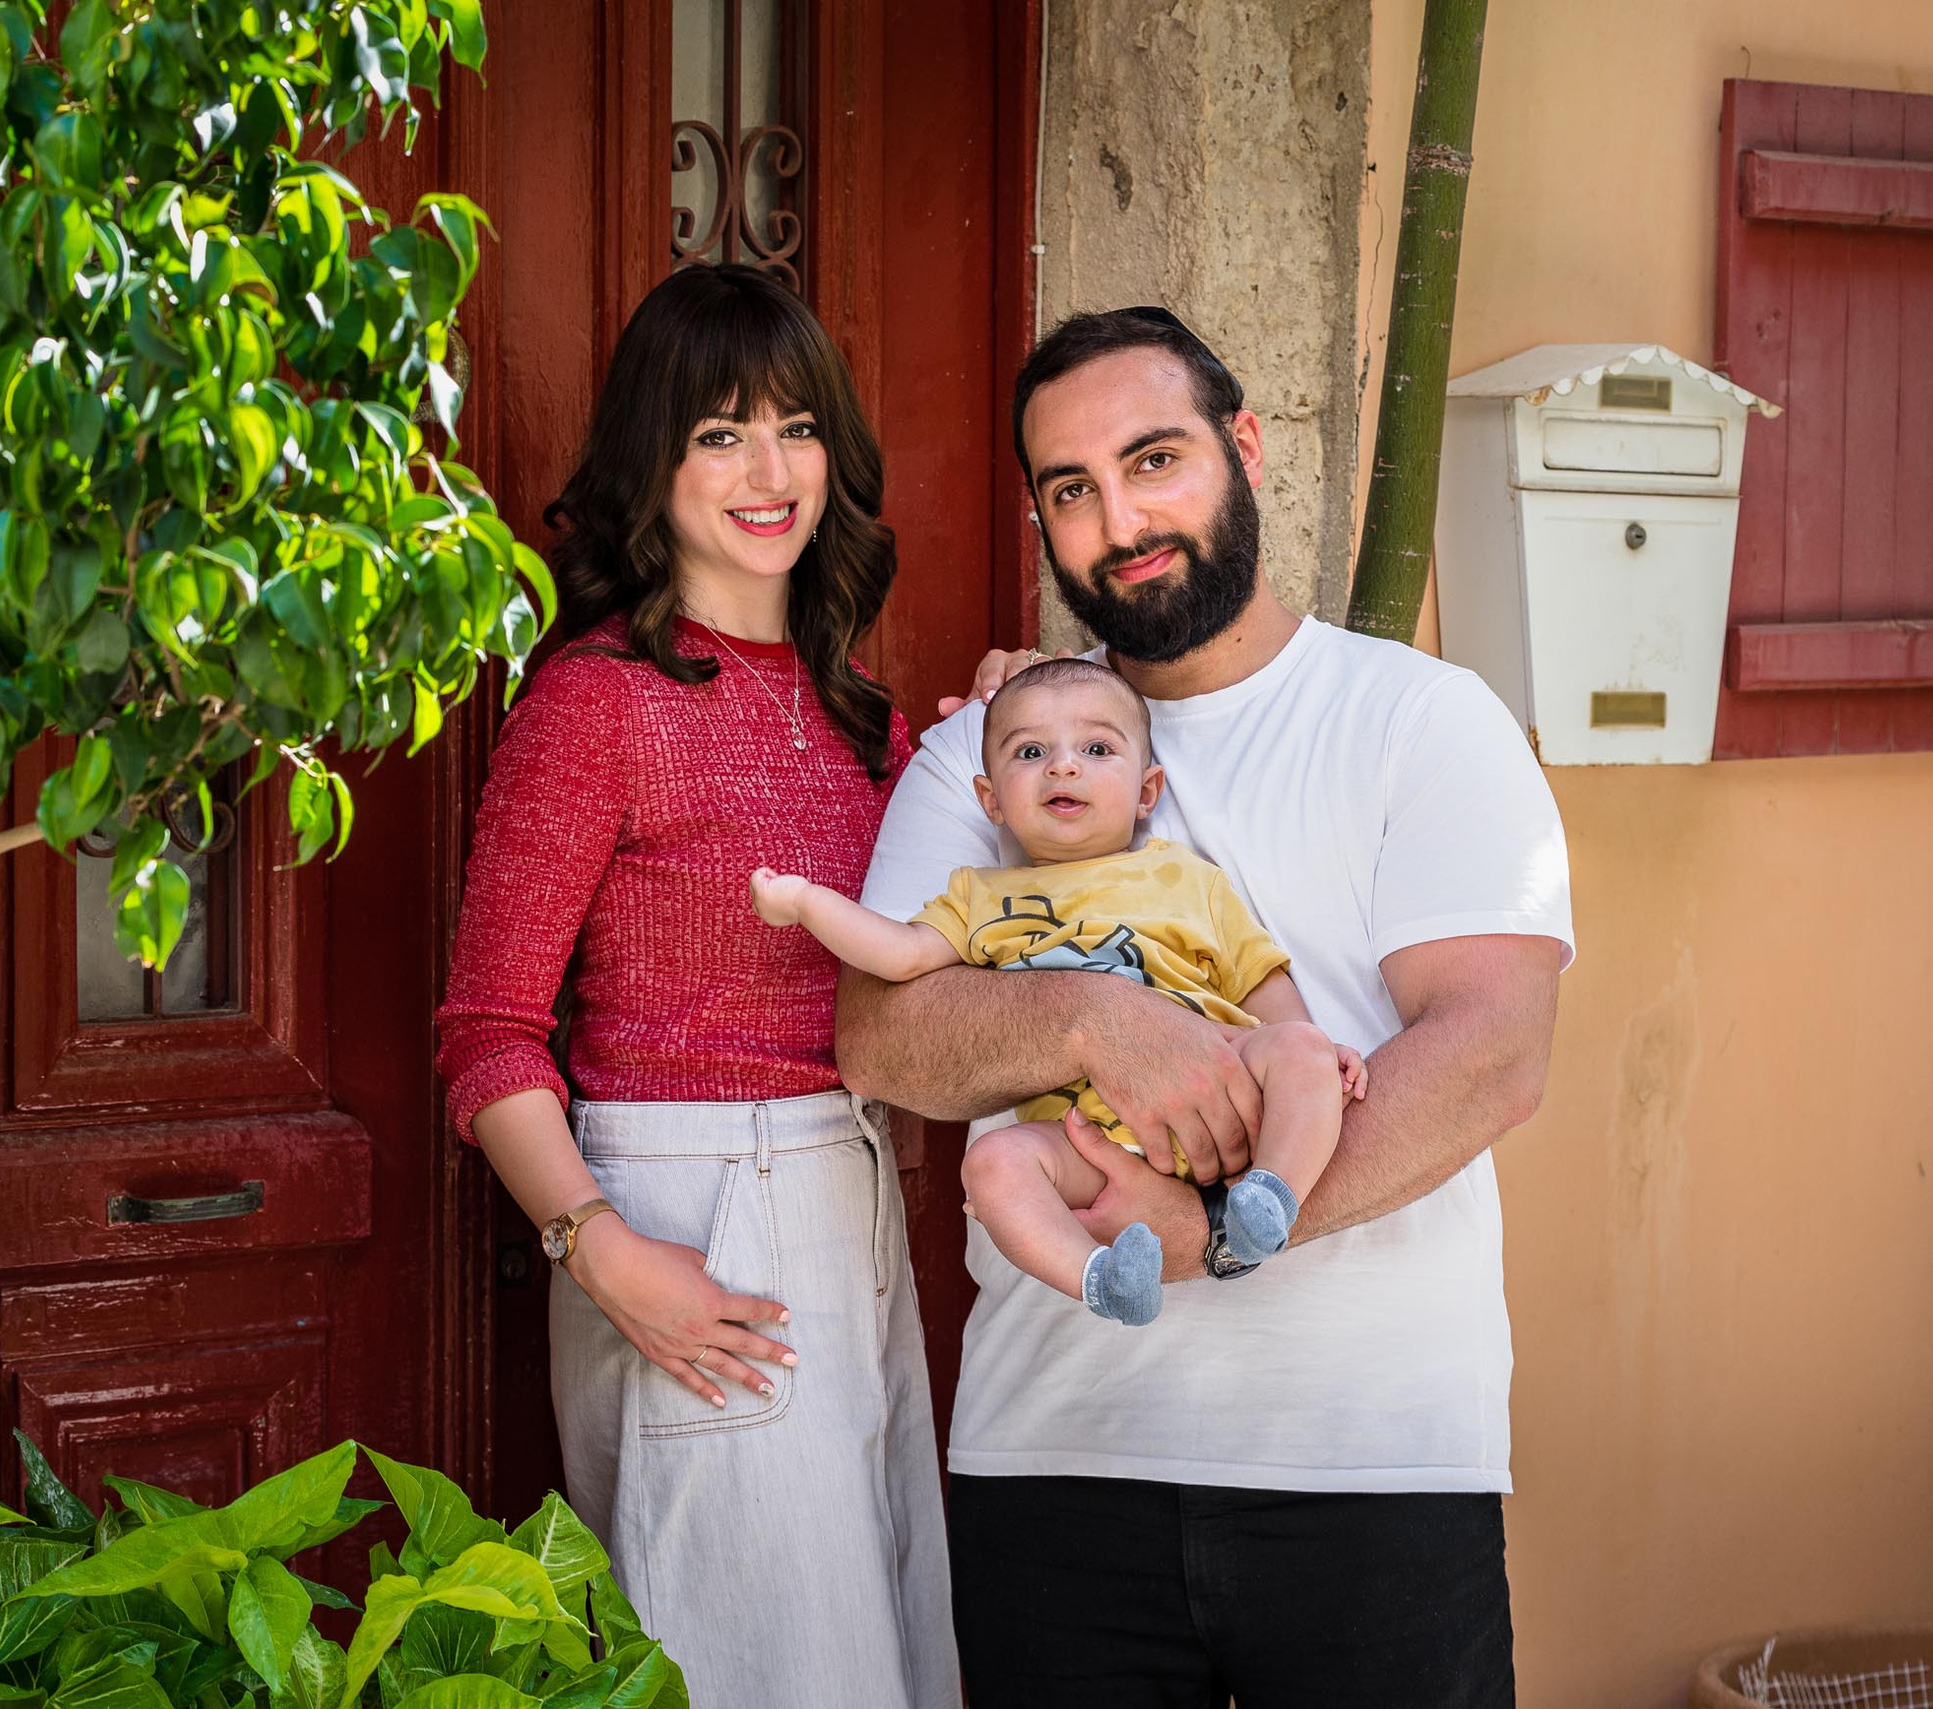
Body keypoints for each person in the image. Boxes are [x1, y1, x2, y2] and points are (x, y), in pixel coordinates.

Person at [840, 306, 1573, 1709]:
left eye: (1155, 458)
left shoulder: (1421, 720)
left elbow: (1489, 1055)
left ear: (1242, 447)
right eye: (1073, 488)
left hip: (1372, 1468)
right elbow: (883, 1036)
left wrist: (1211, 1240)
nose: (1121, 518)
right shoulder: (990, 756)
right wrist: (1092, 1023)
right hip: (1056, 1462)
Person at [433, 263, 955, 1709]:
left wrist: (1014, 752)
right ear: (652, 461)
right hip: (682, 1213)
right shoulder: (595, 703)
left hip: (851, 1205)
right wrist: (600, 1252)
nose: (767, 469)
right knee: (749, 1668)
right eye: (719, 433)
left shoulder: (864, 716)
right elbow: (486, 1038)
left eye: (794, 426)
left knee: (872, 1654)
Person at [748, 656, 1366, 1327]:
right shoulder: (980, 897)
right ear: (992, 800)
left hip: (1226, 1090)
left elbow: (1260, 981)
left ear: (1146, 790)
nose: (1063, 766)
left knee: (1304, 1048)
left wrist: (1314, 1051)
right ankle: (1102, 1279)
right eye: (1031, 751)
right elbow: (898, 957)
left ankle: (1269, 1197)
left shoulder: (1187, 879)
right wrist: (809, 902)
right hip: (1085, 1142)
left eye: (1097, 748)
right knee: (992, 1166)